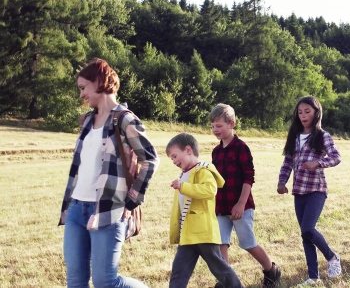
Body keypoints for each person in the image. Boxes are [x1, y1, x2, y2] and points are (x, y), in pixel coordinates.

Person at [59, 58, 160, 288]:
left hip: (108, 209)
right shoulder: (86, 121)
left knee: (106, 282)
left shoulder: (124, 119)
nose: (81, 95)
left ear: (99, 82)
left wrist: (131, 201)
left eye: (83, 88)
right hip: (76, 208)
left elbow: (151, 161)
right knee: (75, 281)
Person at [209, 104, 281, 288]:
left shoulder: (241, 147)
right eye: (213, 126)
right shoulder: (216, 152)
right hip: (221, 206)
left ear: (231, 124)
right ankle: (227, 281)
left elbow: (249, 177)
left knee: (247, 243)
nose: (215, 130)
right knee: (221, 244)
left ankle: (271, 270)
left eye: (219, 126)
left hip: (241, 206)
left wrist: (241, 204)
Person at [277, 96, 342, 286]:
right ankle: (313, 277)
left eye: (307, 111)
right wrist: (282, 182)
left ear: (316, 113)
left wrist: (318, 163)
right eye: (300, 112)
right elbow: (288, 162)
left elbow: (336, 158)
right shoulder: (295, 137)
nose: (303, 115)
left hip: (316, 189)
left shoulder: (322, 136)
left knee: (308, 228)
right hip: (299, 191)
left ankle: (332, 257)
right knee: (305, 235)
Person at [166, 133, 243, 288]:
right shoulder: (185, 174)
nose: (174, 161)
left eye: (175, 156)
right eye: (171, 159)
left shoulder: (203, 170)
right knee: (178, 273)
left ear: (188, 150)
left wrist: (183, 186)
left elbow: (209, 190)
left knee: (221, 270)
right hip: (188, 235)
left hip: (203, 233)